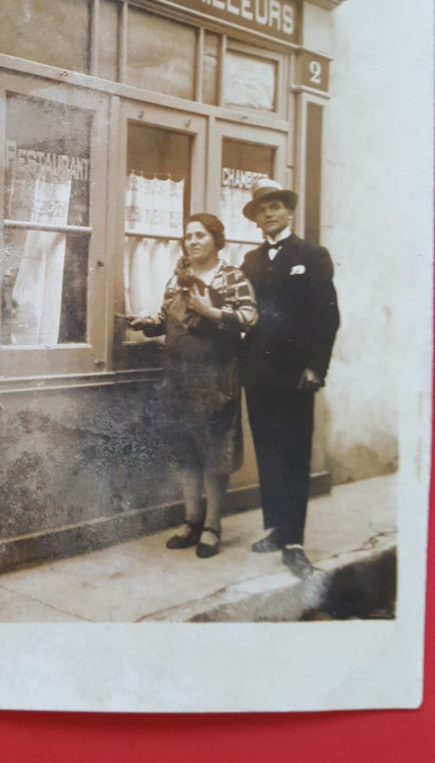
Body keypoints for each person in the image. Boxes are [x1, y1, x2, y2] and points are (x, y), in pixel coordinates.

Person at [128, 214, 257, 559]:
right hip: (179, 378)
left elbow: (249, 317)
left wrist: (210, 310)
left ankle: (213, 526)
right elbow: (168, 317)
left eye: (200, 235)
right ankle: (192, 520)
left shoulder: (232, 277)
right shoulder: (178, 277)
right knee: (186, 451)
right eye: (188, 236)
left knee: (216, 453)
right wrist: (149, 323)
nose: (193, 241)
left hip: (217, 377)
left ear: (216, 240)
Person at [240, 179, 340, 579]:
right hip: (259, 374)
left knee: (294, 452)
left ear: (288, 211)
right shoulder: (249, 261)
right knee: (268, 450)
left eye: (275, 206)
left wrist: (316, 367)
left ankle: (295, 541)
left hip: (296, 375)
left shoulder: (312, 256)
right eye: (262, 209)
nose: (269, 214)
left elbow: (328, 316)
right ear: (256, 218)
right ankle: (277, 529)